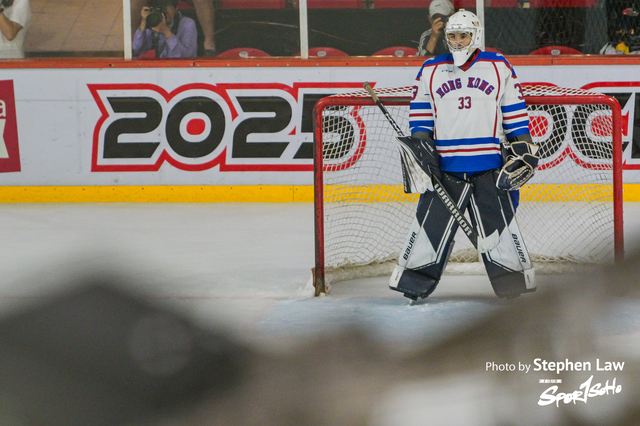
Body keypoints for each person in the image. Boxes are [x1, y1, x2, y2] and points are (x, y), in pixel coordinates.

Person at [390, 10, 539, 301]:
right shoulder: (431, 69)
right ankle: (413, 284)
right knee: (430, 228)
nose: (458, 41)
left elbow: (515, 115)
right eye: (453, 36)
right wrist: (422, 150)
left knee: (500, 230)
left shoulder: (498, 66)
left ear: (476, 35)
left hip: (490, 166)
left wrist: (524, 149)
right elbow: (421, 116)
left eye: (463, 36)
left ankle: (512, 283)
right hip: (445, 167)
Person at [131, 0, 216, 57]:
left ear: (176, 9)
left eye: (169, 8)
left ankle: (209, 44)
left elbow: (187, 56)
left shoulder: (187, 24)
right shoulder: (154, 20)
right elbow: (138, 49)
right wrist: (143, 23)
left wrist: (166, 32)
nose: (165, 13)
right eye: (162, 9)